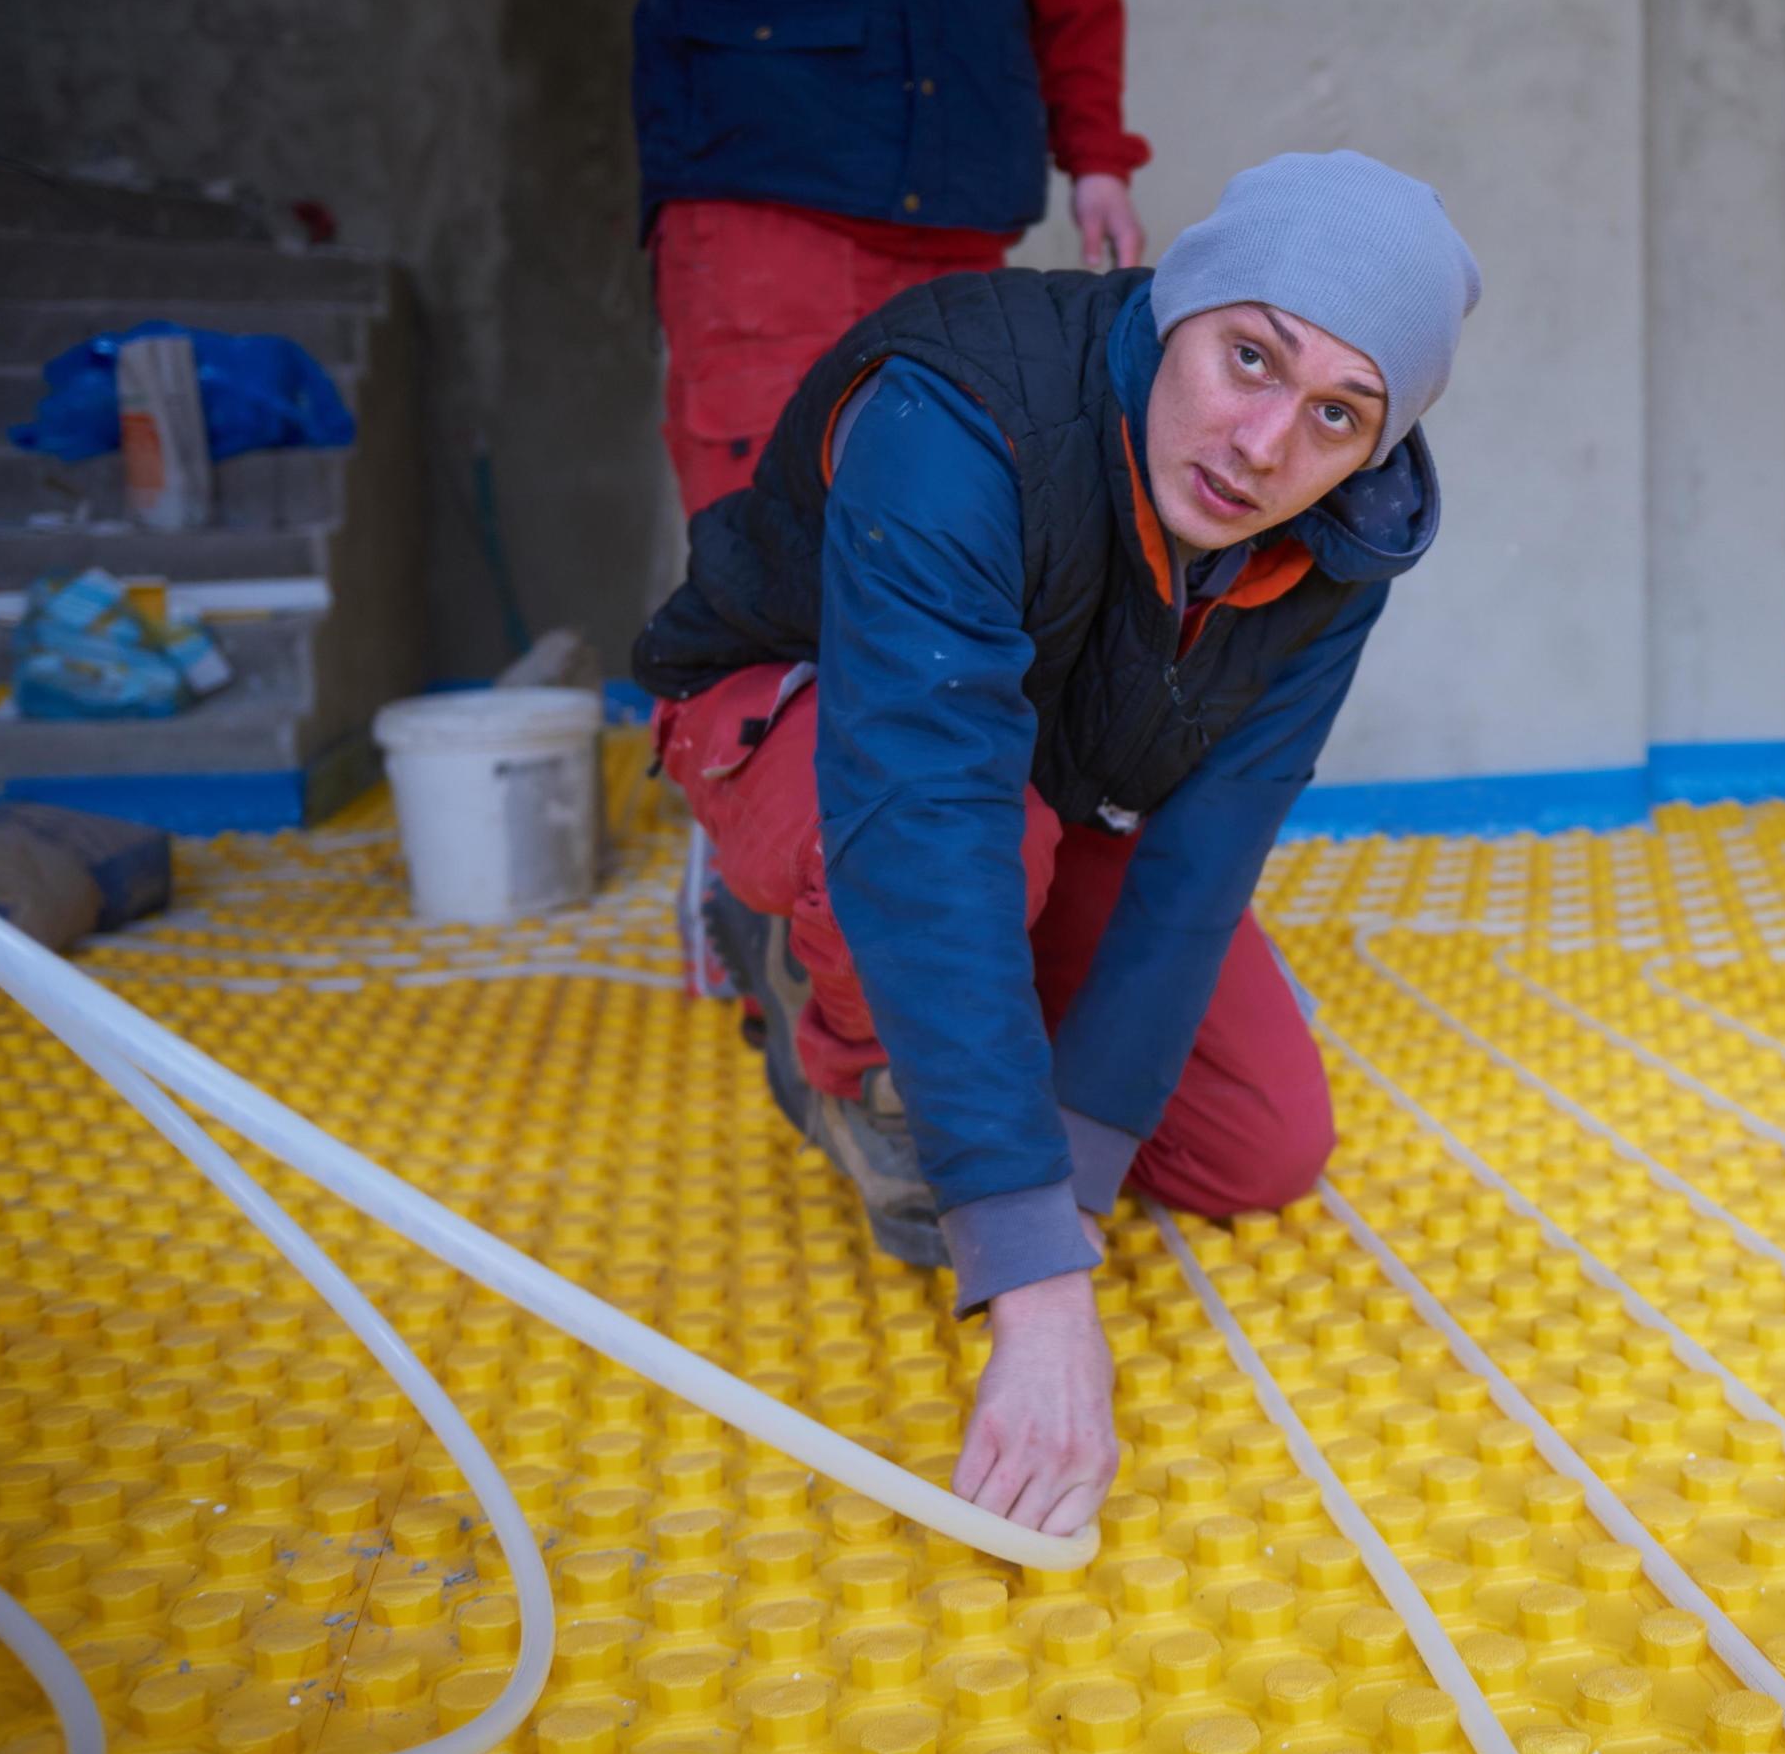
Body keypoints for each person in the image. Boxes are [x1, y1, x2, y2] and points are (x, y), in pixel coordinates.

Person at [631, 152, 1482, 1536]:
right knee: (968, 891)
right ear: (1180, 307)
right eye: (1249, 358)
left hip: (1040, 780)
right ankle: (828, 1030)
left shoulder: (1340, 543)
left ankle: (947, 1026)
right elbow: (926, 810)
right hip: (808, 720)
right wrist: (1035, 1282)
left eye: (1337, 413)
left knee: (1260, 1148)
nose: (1267, 445)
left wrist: (1073, 1167)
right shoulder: (962, 410)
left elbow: (1206, 851)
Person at [606, 0, 1151, 518]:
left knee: (953, 565)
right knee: (771, 575)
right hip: (768, 214)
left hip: (959, 239)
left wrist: (1097, 153)